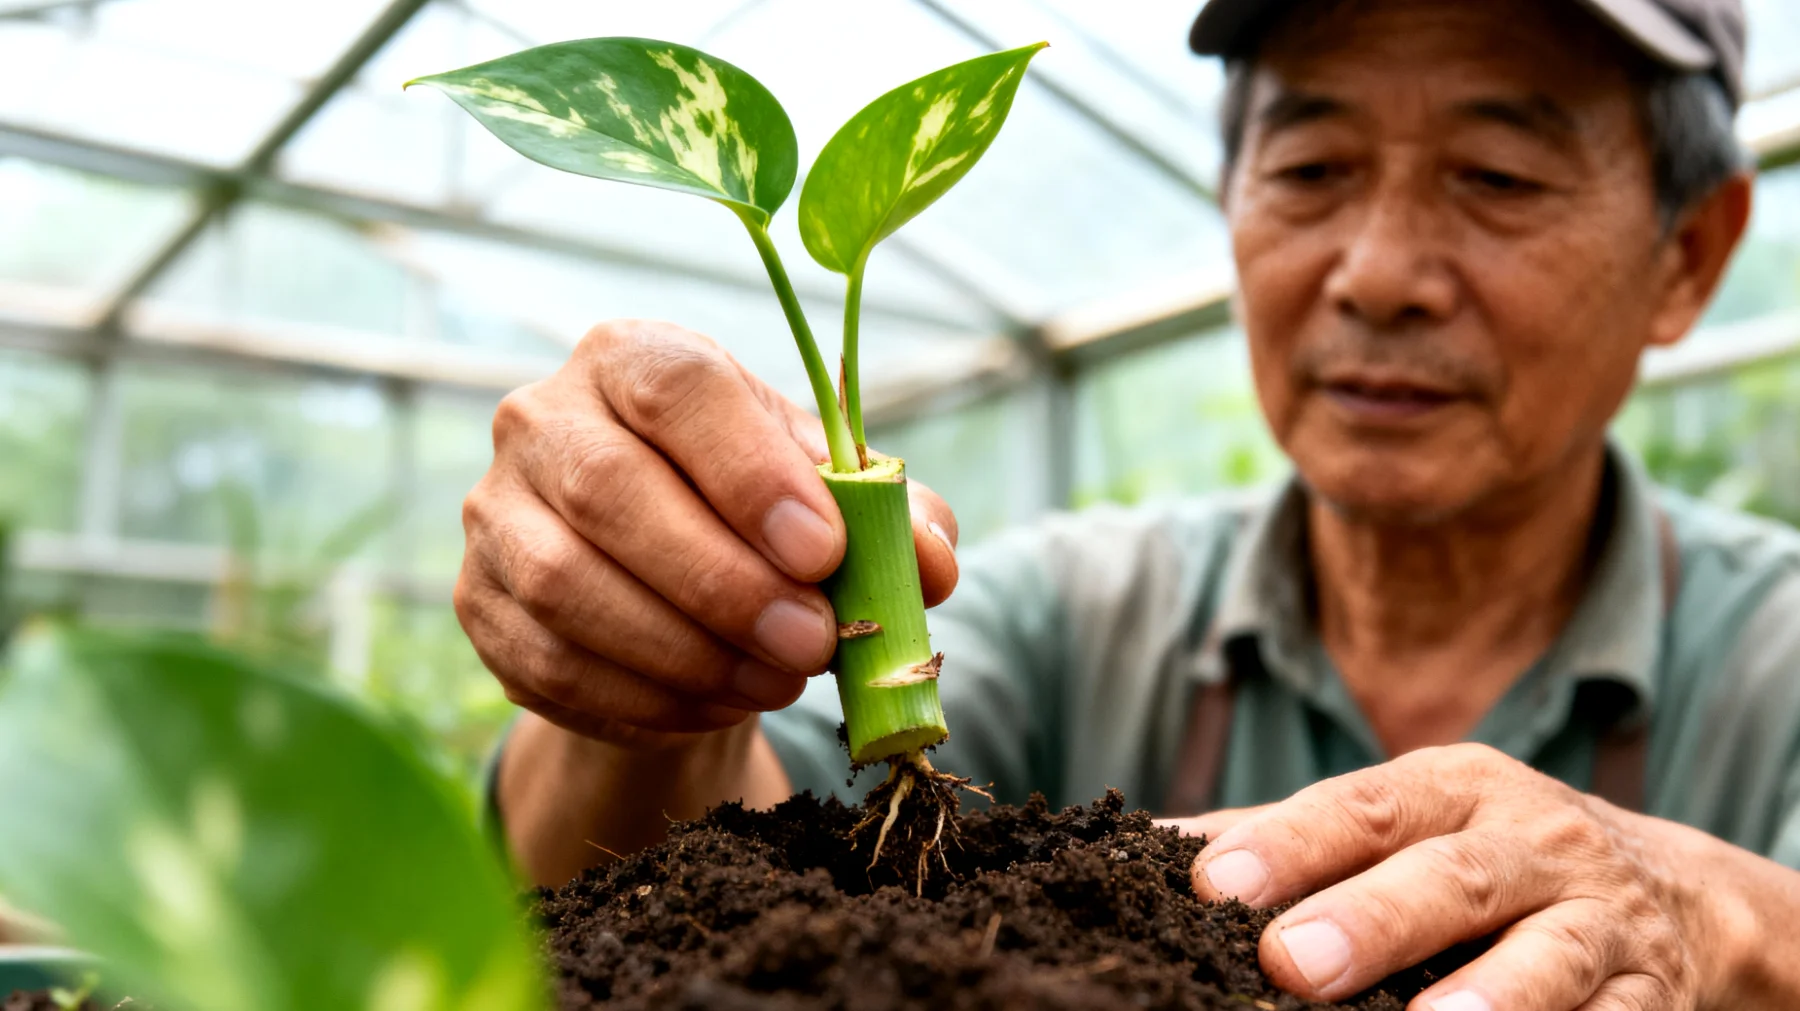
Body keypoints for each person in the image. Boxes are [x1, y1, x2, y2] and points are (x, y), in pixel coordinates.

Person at [457, 0, 1800, 1005]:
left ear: (1689, 255)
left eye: (1498, 177)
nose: (1380, 274)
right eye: (1312, 169)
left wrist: (1712, 914)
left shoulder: (1775, 657)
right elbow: (663, 879)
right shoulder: (1063, 616)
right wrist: (646, 674)